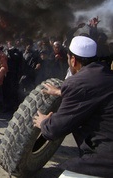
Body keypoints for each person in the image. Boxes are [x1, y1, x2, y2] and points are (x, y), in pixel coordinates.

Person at [33, 36, 113, 177]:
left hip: (105, 159)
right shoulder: (106, 74)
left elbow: (55, 129)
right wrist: (60, 91)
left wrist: (44, 122)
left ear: (73, 60)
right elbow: (93, 93)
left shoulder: (76, 83)